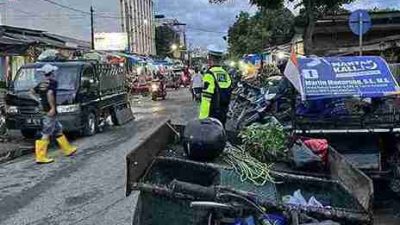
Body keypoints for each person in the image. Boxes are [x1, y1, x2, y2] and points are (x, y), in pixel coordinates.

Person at [31, 64, 77, 164]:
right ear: (52, 73)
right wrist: (52, 108)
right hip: (49, 111)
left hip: (44, 110)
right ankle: (40, 156)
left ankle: (67, 149)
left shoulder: (41, 83)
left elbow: (31, 92)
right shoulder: (53, 83)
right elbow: (50, 94)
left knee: (58, 129)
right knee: (46, 133)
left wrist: (39, 100)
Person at [199, 52, 232, 126]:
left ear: (210, 60)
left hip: (212, 116)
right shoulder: (226, 74)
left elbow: (206, 99)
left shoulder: (209, 75)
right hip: (223, 114)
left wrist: (202, 119)